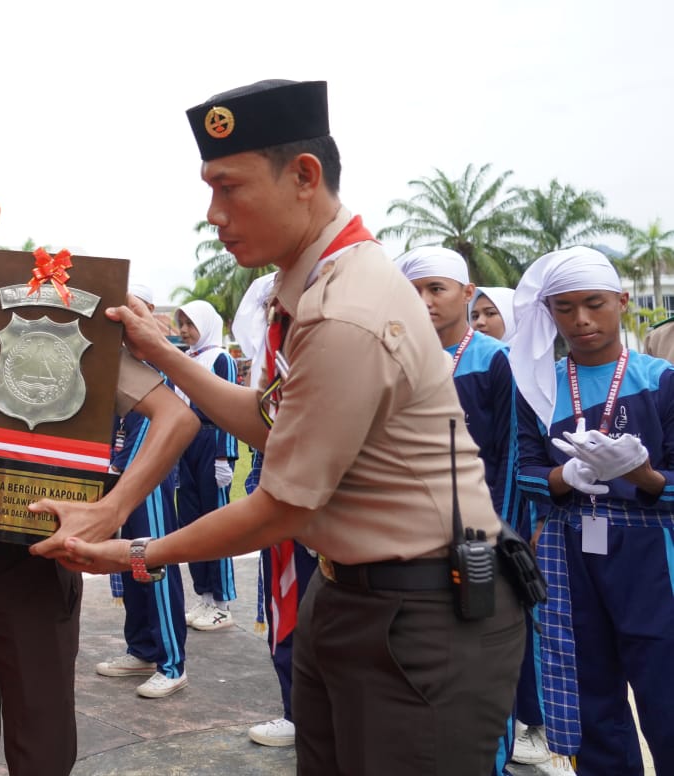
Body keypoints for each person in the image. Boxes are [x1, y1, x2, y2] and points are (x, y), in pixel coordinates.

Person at [63, 80, 524, 775]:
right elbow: (270, 422)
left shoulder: (346, 310)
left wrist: (136, 554)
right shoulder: (314, 289)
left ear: (304, 176)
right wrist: (160, 352)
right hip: (353, 594)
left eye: (229, 187)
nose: (214, 213)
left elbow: (282, 503)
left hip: (421, 613)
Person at [0, 145, 199, 776]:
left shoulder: (58, 307)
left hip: (34, 562)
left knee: (40, 752)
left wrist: (111, 511)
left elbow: (176, 417)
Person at [512, 246, 674, 775]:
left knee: (665, 684)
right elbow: (523, 468)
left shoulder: (660, 380)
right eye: (564, 308)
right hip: (569, 550)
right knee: (589, 692)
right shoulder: (538, 385)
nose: (580, 320)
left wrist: (644, 476)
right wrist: (566, 477)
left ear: (622, 303)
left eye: (594, 304)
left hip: (650, 554)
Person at [396, 246, 551, 772]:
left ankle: (493, 761)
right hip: (410, 538)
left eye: (436, 289)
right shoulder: (398, 360)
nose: (424, 302)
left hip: (478, 541)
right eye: (414, 291)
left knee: (483, 661)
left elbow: (509, 455)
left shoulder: (494, 360)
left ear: (467, 293)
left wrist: (496, 537)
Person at [228, 271, 315, 750]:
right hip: (279, 509)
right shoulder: (267, 376)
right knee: (284, 607)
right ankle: (293, 709)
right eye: (271, 312)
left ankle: (319, 713)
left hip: (331, 521)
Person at [94, 286, 189, 699]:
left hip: (145, 479)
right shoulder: (119, 361)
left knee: (153, 564)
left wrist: (123, 473)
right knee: (130, 566)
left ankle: (172, 663)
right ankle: (142, 649)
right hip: (123, 477)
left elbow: (155, 427)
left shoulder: (156, 363)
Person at [170, 299, 239, 631]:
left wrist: (225, 456)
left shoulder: (221, 359)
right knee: (192, 523)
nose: (184, 330)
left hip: (212, 444)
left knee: (218, 525)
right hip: (187, 444)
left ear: (206, 324)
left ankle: (223, 604)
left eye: (190, 323)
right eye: (181, 323)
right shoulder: (184, 359)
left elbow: (229, 408)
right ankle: (205, 597)